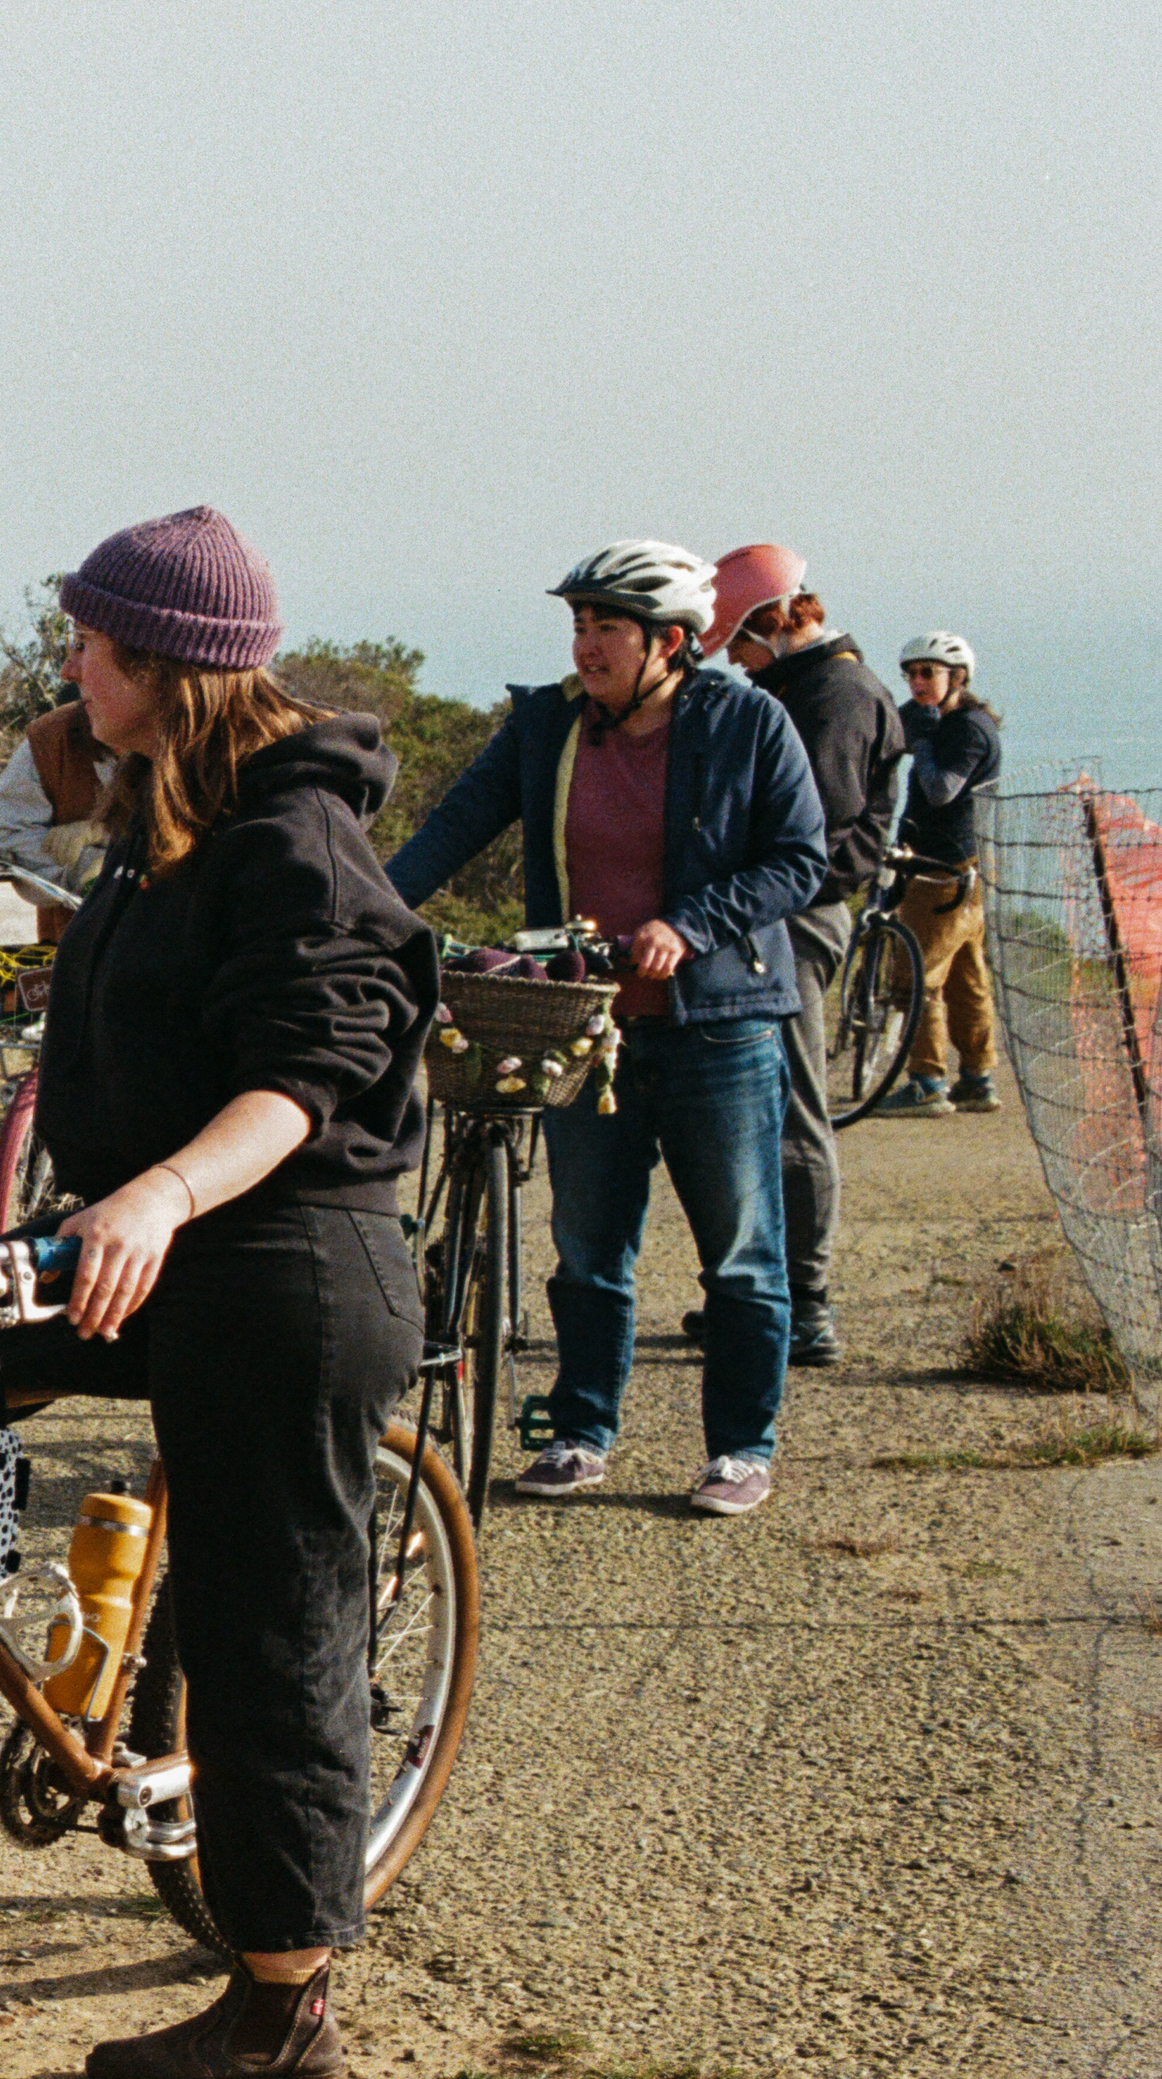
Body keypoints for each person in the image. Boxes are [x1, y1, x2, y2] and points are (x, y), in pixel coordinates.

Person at [0, 508, 439, 2079]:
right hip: (145, 1243)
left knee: (268, 1623)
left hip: (286, 1260)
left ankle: (283, 2004)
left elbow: (302, 1081)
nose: (68, 662)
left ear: (162, 666)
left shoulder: (295, 840)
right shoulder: (159, 811)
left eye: (91, 642)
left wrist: (157, 1192)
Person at [383, 543, 825, 1518]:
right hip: (581, 1028)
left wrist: (690, 925)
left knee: (742, 1256)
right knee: (586, 1248)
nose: (583, 645)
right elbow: (457, 825)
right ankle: (580, 1434)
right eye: (577, 625)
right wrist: (365, 910)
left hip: (722, 1030)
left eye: (604, 627)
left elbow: (799, 859)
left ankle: (740, 1450)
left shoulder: (745, 720)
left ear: (669, 642)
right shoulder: (548, 725)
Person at [703, 543, 905, 1364]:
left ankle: (804, 1297)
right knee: (762, 1103)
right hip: (779, 912)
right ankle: (763, 1291)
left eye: (741, 646)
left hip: (800, 914)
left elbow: (808, 828)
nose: (742, 666)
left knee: (791, 1102)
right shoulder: (809, 687)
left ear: (774, 623)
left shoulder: (836, 695)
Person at [877, 632, 1004, 1115]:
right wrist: (915, 725)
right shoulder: (959, 721)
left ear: (959, 676)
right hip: (964, 867)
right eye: (910, 673)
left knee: (917, 977)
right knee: (966, 978)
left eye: (928, 672)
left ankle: (927, 1082)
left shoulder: (965, 730)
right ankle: (977, 1078)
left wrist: (926, 742)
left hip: (939, 871)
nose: (916, 682)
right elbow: (895, 734)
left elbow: (940, 791)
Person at [0, 695, 124, 939]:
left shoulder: (198, 730)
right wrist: (86, 868)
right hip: (77, 957)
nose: (68, 670)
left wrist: (108, 837)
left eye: (85, 653)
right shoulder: (56, 735)